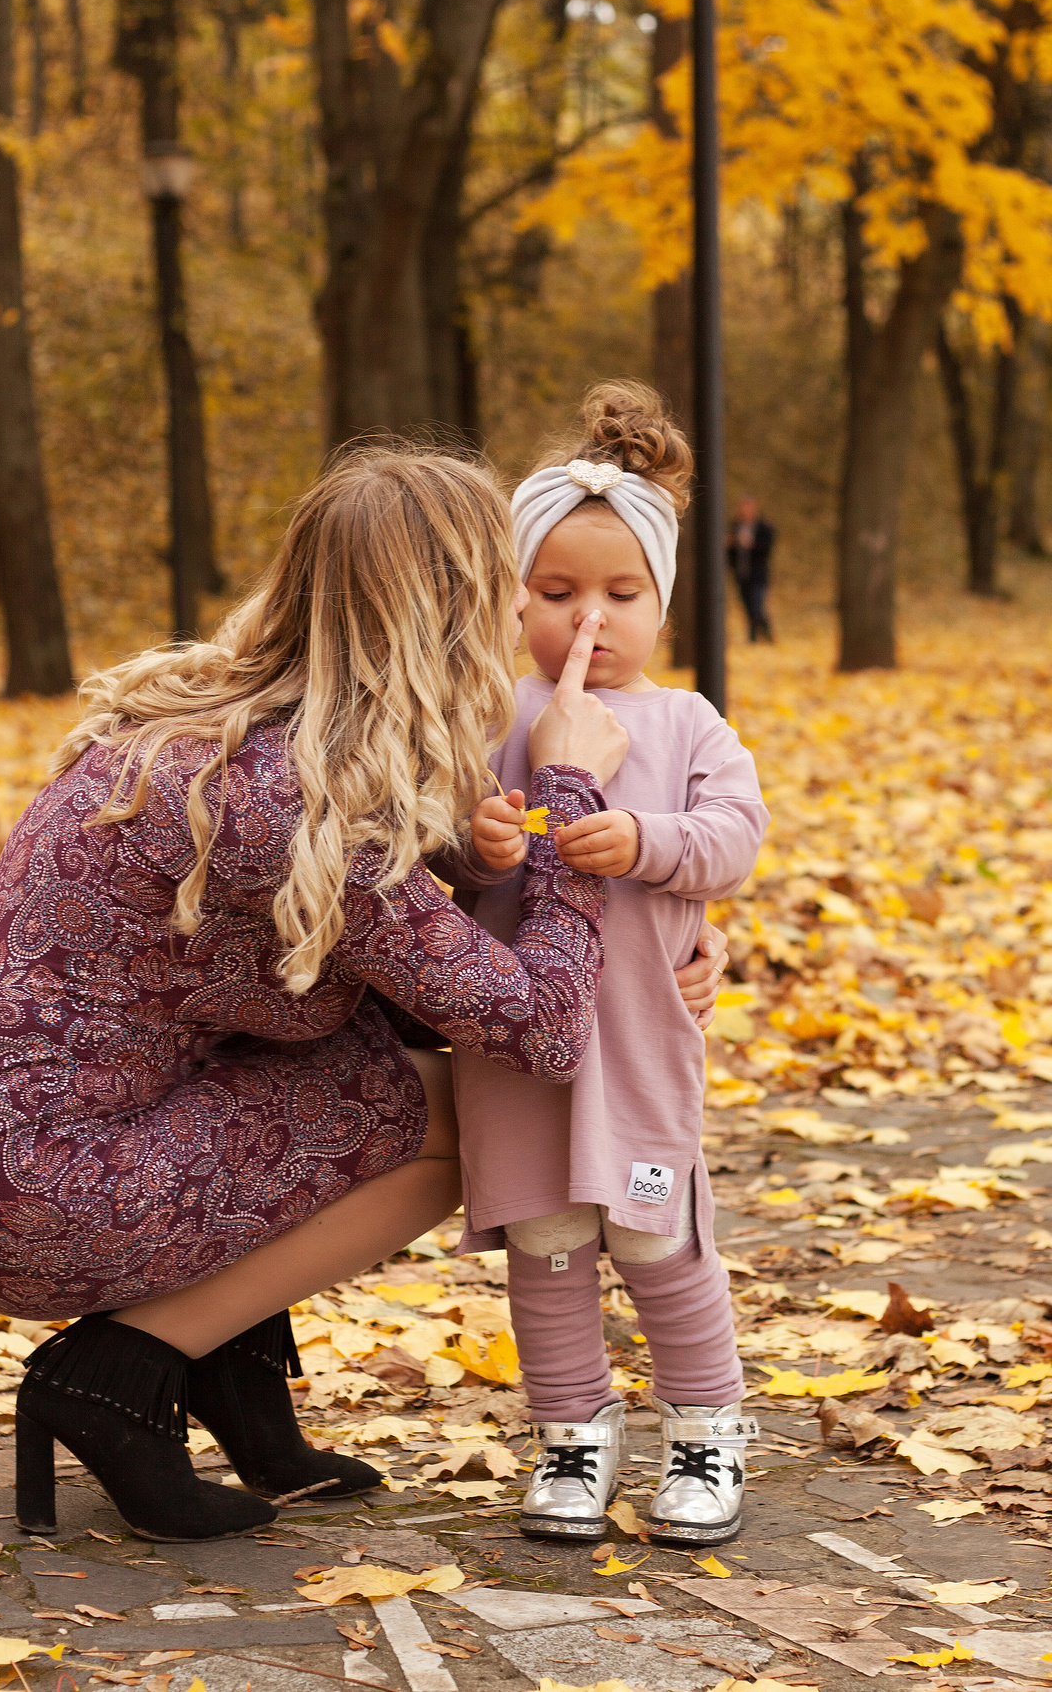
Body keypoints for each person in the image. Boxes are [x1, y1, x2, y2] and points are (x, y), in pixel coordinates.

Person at [0, 444, 731, 1543]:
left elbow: (411, 965)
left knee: (353, 1067)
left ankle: (231, 1374)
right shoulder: (293, 799)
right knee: (443, 1121)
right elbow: (542, 1031)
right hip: (34, 1188)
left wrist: (676, 942)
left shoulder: (238, 714)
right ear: (449, 613)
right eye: (509, 588)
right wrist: (569, 786)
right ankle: (119, 1373)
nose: (532, 614)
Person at [455, 383, 771, 1548]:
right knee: (544, 1249)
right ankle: (571, 1440)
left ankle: (705, 1431)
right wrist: (474, 838)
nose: (588, 618)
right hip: (518, 1057)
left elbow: (734, 839)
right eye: (557, 593)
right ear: (516, 598)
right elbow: (442, 841)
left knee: (655, 1241)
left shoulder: (689, 724)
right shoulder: (490, 708)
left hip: (637, 1045)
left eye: (620, 594)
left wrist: (649, 846)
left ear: (662, 602)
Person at [726, 495, 775, 643]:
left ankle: (754, 638)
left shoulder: (764, 528)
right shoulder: (734, 527)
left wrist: (750, 544)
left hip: (758, 575)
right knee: (747, 607)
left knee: (756, 606)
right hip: (741, 574)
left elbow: (767, 550)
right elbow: (729, 555)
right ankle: (766, 635)